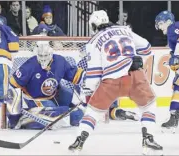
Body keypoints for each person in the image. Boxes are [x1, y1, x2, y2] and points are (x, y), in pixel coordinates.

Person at [68, 10, 163, 155]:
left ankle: (79, 141)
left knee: (92, 112)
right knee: (149, 106)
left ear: (93, 25)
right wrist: (134, 54)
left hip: (111, 80)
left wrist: (91, 92)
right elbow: (147, 47)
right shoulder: (125, 30)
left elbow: (94, 71)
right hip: (134, 75)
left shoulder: (93, 41)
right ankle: (148, 139)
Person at [7, 41, 86, 130]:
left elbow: (75, 75)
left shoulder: (60, 61)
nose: (43, 59)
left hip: (54, 93)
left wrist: (88, 81)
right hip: (35, 97)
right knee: (52, 114)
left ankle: (59, 114)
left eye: (45, 56)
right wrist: (14, 116)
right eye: (41, 56)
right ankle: (24, 119)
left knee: (78, 114)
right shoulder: (29, 66)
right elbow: (13, 85)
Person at [155, 10, 179, 132]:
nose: (159, 27)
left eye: (160, 23)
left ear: (168, 22)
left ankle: (174, 116)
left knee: (178, 87)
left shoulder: (173, 28)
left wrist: (176, 55)